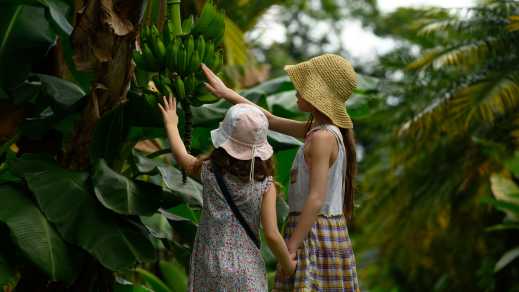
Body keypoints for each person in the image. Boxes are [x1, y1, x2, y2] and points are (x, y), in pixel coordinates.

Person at [202, 53, 360, 291]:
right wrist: (228, 94)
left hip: (313, 231)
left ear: (317, 95)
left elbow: (316, 198)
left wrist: (292, 246)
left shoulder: (323, 138)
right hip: (309, 228)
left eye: (302, 86)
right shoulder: (317, 130)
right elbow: (269, 120)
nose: (296, 90)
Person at [158, 97, 296, 291]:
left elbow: (182, 157)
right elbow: (272, 235)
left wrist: (171, 124)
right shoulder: (265, 186)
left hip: (210, 264)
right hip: (246, 270)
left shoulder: (209, 172)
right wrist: (289, 266)